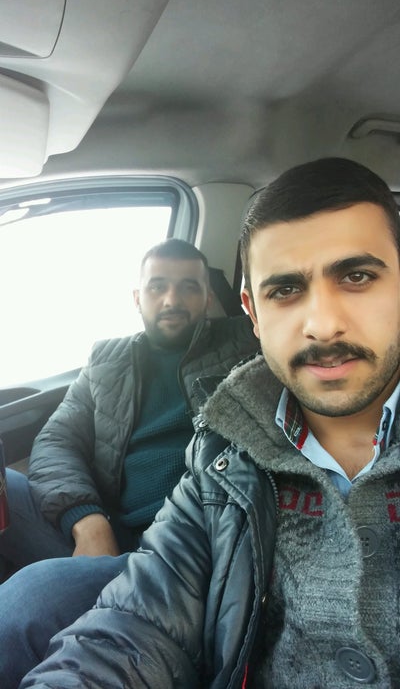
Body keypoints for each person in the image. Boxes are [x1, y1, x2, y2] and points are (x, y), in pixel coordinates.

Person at [11, 155, 400, 688]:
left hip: (171, 543)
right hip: (135, 532)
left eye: (357, 276)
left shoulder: (232, 362)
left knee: (33, 597)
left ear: (213, 299)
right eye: (285, 290)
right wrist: (87, 518)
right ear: (255, 311)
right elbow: (134, 625)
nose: (323, 324)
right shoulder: (204, 440)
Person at [0, 237, 258, 687]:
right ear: (137, 297)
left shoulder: (245, 347)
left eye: (188, 287)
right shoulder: (107, 359)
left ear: (208, 298)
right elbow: (57, 440)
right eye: (158, 286)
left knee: (22, 604)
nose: (172, 299)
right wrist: (87, 520)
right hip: (105, 528)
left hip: (179, 554)